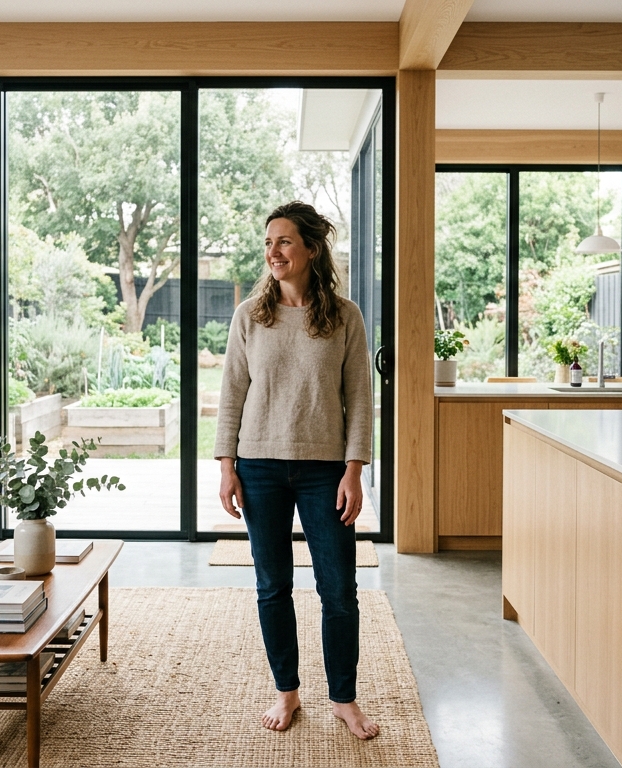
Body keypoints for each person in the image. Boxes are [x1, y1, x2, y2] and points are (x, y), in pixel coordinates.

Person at [215, 201, 379, 740]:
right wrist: (226, 467)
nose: (274, 252)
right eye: (268, 243)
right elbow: (231, 395)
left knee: (339, 590)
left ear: (310, 248)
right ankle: (287, 691)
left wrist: (354, 470)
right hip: (259, 466)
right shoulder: (250, 316)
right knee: (272, 587)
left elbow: (360, 399)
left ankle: (343, 698)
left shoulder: (345, 317)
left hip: (325, 470)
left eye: (284, 241)